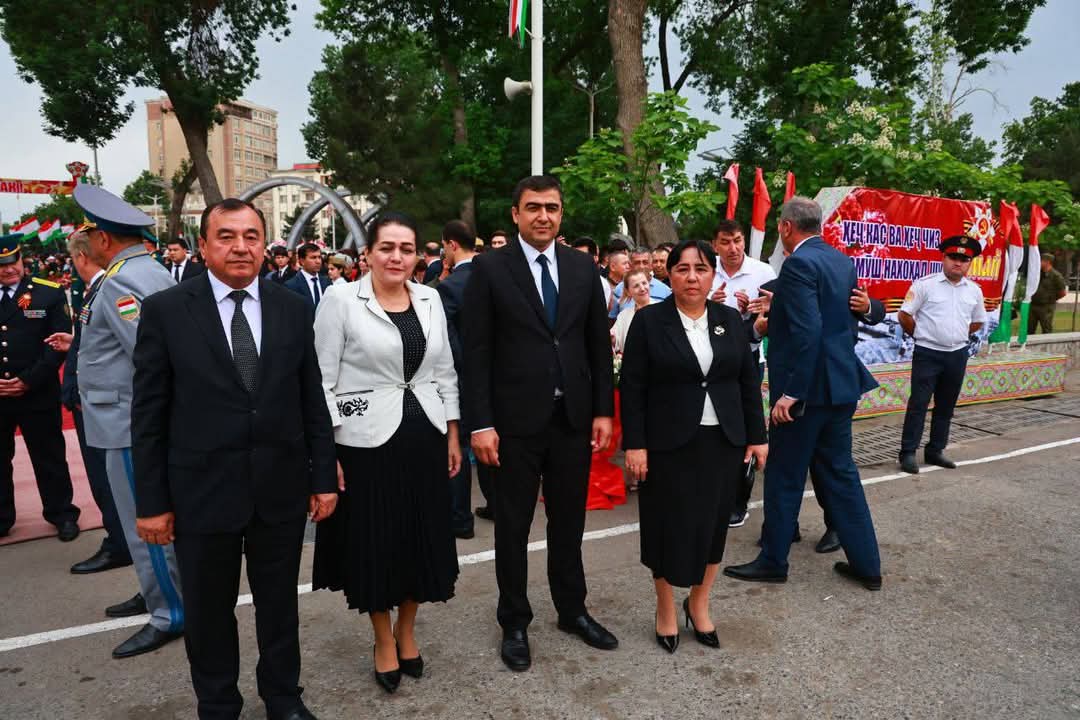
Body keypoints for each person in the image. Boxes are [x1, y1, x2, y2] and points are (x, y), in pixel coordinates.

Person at [131, 198, 335, 720]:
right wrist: (151, 503)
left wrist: (323, 476)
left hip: (279, 488)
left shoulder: (292, 307)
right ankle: (218, 703)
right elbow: (148, 415)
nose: (240, 247)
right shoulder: (167, 311)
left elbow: (311, 398)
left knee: (279, 606)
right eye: (226, 236)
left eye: (250, 236)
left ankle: (283, 698)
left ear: (264, 245)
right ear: (203, 246)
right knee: (208, 612)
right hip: (200, 493)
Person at [464, 175, 617, 673]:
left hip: (571, 420)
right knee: (512, 526)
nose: (543, 216)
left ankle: (572, 610)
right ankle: (514, 621)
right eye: (533, 207)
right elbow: (476, 352)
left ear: (561, 213)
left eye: (551, 207)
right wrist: (480, 423)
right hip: (512, 425)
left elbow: (596, 345)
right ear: (516, 214)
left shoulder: (581, 267)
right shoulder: (490, 269)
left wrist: (602, 411)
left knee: (569, 522)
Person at [312, 211, 460, 695]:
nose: (397, 257)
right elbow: (321, 381)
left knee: (420, 538)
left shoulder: (431, 298)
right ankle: (381, 637)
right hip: (364, 443)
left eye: (406, 249)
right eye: (387, 247)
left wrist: (452, 432)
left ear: (418, 255)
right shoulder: (340, 300)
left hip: (425, 437)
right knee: (376, 543)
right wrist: (327, 451)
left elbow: (445, 372)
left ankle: (407, 630)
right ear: (368, 254)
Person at [723, 197, 882, 592]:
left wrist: (792, 392)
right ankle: (868, 565)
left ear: (786, 227)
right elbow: (836, 321)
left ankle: (773, 561)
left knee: (784, 476)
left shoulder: (798, 264)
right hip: (840, 385)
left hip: (807, 392)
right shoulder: (841, 261)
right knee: (842, 476)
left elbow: (810, 332)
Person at [621, 239, 767, 653]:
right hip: (666, 443)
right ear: (668, 274)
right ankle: (666, 606)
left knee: (713, 525)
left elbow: (746, 382)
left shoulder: (729, 319)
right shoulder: (650, 322)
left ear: (712, 275)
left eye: (701, 269)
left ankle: (699, 603)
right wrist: (636, 444)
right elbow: (632, 388)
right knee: (665, 525)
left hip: (722, 441)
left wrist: (757, 436)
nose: (691, 277)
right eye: (682, 269)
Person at [72, 182, 186, 657]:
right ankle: (157, 589)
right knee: (152, 525)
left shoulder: (121, 280)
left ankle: (169, 611)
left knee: (147, 525)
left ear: (103, 239)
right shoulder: (148, 270)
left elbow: (148, 355)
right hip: (130, 418)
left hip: (126, 420)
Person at [748, 279, 886, 554]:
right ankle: (783, 529)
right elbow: (758, 328)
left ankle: (836, 526)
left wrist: (867, 306)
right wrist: (761, 323)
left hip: (827, 389)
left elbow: (874, 311)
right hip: (790, 389)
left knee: (825, 466)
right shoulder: (772, 286)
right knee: (783, 467)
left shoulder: (836, 281)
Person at [59, 232, 132, 573]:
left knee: (109, 482)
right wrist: (75, 343)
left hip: (107, 406)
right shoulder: (96, 288)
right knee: (103, 480)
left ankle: (121, 544)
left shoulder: (111, 287)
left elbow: (133, 342)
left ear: (80, 257)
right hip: (91, 403)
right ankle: (119, 540)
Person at [0, 233, 80, 541]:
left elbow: (57, 345)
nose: (9, 269)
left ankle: (62, 513)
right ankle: (2, 518)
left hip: (37, 391)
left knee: (49, 456)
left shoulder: (47, 293)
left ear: (22, 259)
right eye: (2, 265)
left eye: (14, 262)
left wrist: (27, 380)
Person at [705, 220, 776, 529]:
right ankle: (712, 492)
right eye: (725, 242)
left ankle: (739, 499)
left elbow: (773, 314)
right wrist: (710, 304)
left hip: (747, 359)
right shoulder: (705, 269)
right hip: (708, 360)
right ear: (715, 245)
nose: (732, 248)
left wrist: (754, 313)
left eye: (737, 240)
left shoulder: (763, 272)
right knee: (712, 426)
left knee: (744, 427)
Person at [896, 235, 988, 475]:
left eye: (964, 259)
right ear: (943, 258)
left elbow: (978, 321)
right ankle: (908, 452)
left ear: (970, 263)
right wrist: (923, 335)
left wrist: (956, 335)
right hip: (928, 353)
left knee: (946, 405)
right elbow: (904, 315)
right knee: (918, 404)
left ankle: (935, 450)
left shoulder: (974, 290)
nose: (958, 263)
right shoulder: (925, 285)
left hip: (957, 354)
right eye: (953, 257)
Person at [436, 219, 480, 539]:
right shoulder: (497, 275)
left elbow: (448, 343)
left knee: (459, 448)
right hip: (504, 378)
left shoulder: (449, 287)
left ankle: (460, 518)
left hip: (464, 380)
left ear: (452, 244)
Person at [609, 247, 672, 318]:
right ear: (630, 265)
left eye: (645, 262)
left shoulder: (665, 291)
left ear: (651, 265)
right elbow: (612, 318)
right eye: (637, 263)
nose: (641, 266)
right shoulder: (620, 289)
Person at [611, 269, 657, 353]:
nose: (642, 288)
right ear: (628, 292)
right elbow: (615, 340)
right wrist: (611, 339)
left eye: (644, 283)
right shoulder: (624, 315)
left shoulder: (661, 310)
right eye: (636, 286)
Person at [1029, 252, 1067, 334]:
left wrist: (1051, 299)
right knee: (1029, 329)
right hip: (1033, 305)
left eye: (1041, 261)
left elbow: (1063, 292)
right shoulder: (1038, 274)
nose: (1039, 262)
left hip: (1046, 307)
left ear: (1047, 262)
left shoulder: (1056, 276)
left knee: (1046, 329)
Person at [284, 243, 330, 308]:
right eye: (313, 258)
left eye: (319, 257)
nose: (318, 261)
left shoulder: (327, 281)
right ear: (302, 261)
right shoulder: (291, 285)